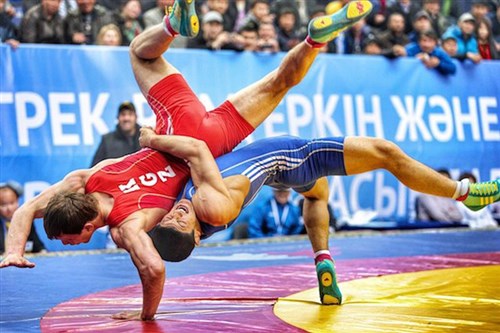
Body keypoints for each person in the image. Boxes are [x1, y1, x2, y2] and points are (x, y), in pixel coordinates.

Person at [0, 0, 375, 321]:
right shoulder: (82, 180)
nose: (66, 244)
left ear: (85, 228)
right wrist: (12, 252)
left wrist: (145, 314)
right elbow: (25, 212)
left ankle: (303, 41)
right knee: (147, 54)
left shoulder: (125, 227)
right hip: (189, 128)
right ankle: (308, 39)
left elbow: (154, 269)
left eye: (67, 240)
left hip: (203, 146)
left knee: (272, 85)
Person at [138, 132, 500, 306]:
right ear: (198, 236)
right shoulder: (211, 207)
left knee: (317, 193)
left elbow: (144, 233)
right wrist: (152, 138)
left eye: (170, 217)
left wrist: (146, 314)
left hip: (280, 173)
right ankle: (466, 194)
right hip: (293, 156)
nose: (176, 213)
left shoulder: (191, 211)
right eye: (180, 222)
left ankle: (322, 259)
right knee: (388, 153)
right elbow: (198, 148)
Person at [0, 182, 46, 255]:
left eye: (12, 203)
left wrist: (43, 252)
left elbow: (39, 247)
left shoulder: (26, 220)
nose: (8, 208)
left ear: (17, 202)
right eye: (3, 205)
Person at [91, 101, 141, 166]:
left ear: (136, 117)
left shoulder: (145, 139)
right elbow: (94, 168)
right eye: (123, 114)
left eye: (130, 114)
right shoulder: (107, 140)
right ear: (118, 118)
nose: (126, 118)